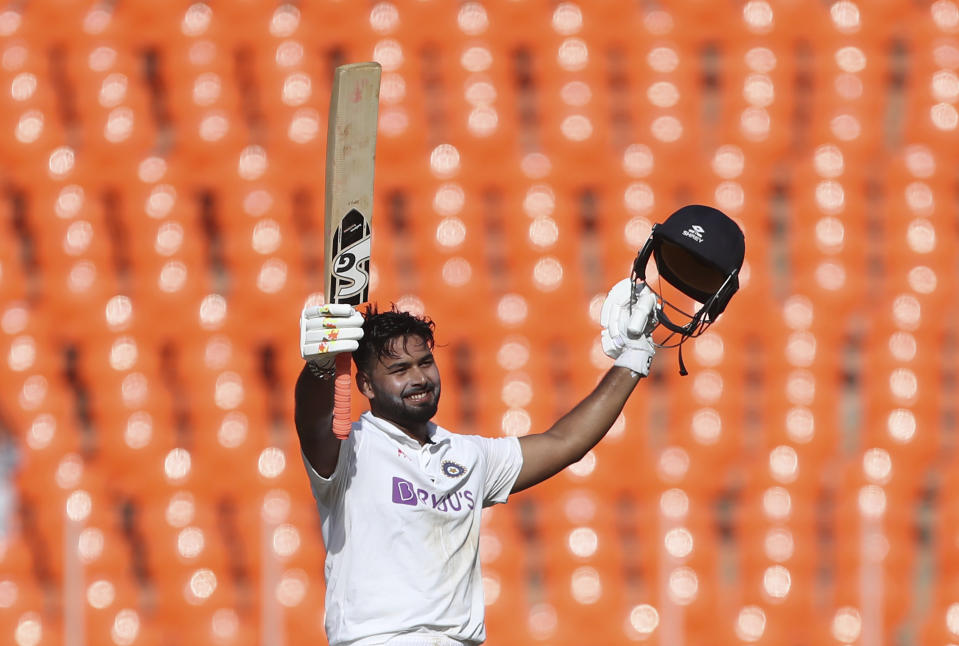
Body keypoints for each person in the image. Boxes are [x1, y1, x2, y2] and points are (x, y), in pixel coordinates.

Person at [293, 280, 658, 646]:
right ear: (367, 385)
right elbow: (312, 421)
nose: (419, 378)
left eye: (425, 363)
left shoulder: (467, 455)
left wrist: (633, 357)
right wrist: (322, 368)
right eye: (400, 370)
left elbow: (565, 442)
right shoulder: (350, 450)